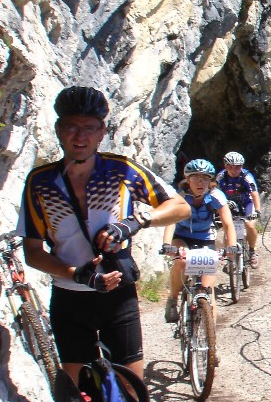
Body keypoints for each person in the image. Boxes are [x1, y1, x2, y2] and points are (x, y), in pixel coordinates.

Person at [17, 86, 191, 382]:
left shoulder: (121, 170)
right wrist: (76, 274)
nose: (80, 136)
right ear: (58, 130)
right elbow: (32, 252)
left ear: (101, 132)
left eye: (89, 128)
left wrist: (134, 222)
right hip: (70, 298)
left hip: (118, 297)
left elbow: (180, 207)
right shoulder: (41, 182)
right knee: (77, 393)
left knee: (132, 388)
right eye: (71, 127)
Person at [162, 159, 237, 323]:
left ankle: (211, 333)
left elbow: (228, 224)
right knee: (181, 261)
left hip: (205, 238)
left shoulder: (216, 196)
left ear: (210, 181)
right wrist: (167, 245)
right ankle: (173, 299)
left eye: (205, 178)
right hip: (182, 236)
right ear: (187, 180)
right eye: (195, 177)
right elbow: (171, 222)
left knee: (208, 290)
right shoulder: (179, 196)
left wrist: (231, 247)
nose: (200, 182)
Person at [215, 151, 262, 268]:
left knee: (250, 225)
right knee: (228, 228)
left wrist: (257, 211)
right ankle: (229, 257)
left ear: (242, 166)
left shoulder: (246, 176)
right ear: (225, 166)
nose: (234, 170)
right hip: (229, 205)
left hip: (247, 203)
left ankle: (252, 251)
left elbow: (254, 193)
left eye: (237, 167)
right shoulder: (221, 177)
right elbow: (215, 193)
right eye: (230, 167)